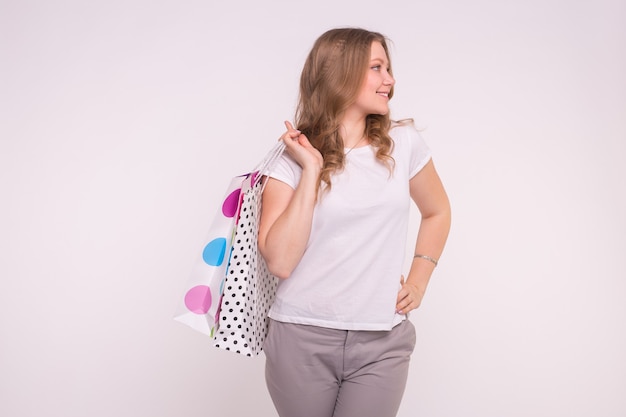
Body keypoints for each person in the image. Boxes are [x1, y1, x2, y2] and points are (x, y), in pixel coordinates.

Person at [258, 28, 451, 417]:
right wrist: (312, 168)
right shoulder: (290, 160)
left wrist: (419, 279)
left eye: (388, 68)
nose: (390, 80)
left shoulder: (404, 143)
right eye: (377, 68)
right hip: (301, 338)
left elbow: (438, 211)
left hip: (382, 340)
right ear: (339, 75)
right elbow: (279, 261)